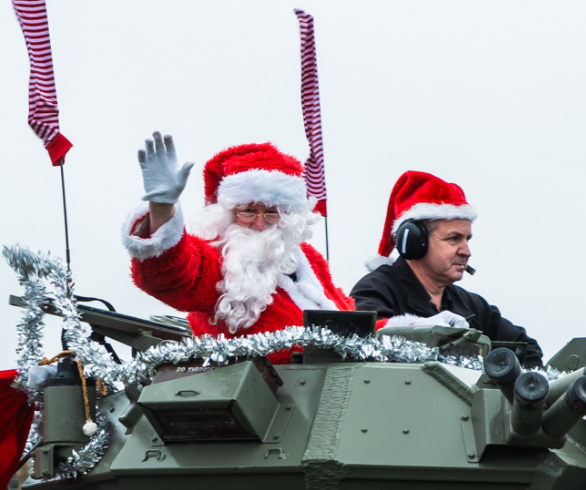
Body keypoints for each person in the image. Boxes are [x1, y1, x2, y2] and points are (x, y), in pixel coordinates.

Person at [122, 132, 353, 361]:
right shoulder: (219, 256)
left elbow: (348, 317)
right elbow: (175, 276)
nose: (260, 223)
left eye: (272, 213)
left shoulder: (306, 258)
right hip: (262, 388)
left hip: (333, 379)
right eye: (248, 211)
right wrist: (162, 208)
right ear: (229, 213)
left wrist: (389, 327)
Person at [351, 170, 543, 368]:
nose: (466, 252)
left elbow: (527, 350)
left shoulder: (471, 305)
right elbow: (368, 339)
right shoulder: (374, 291)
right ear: (416, 241)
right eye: (454, 239)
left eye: (467, 239)